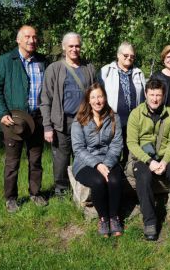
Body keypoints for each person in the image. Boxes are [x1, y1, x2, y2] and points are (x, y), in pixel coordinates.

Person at [0, 25, 48, 213]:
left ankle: (35, 193)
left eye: (34, 37)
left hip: (37, 119)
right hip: (14, 121)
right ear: (18, 40)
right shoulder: (7, 61)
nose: (32, 40)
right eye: (27, 37)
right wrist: (2, 113)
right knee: (12, 162)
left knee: (36, 160)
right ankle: (11, 198)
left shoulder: (43, 61)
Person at [126, 79, 170, 241]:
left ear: (163, 96)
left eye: (158, 95)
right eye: (152, 94)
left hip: (164, 156)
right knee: (144, 177)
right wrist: (149, 162)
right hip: (142, 158)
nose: (155, 99)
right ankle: (150, 221)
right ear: (145, 94)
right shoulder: (136, 114)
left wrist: (165, 161)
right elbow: (132, 143)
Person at [40, 32, 95, 196]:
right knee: (61, 158)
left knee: (83, 155)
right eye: (71, 46)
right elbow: (45, 98)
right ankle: (61, 190)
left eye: (77, 46)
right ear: (64, 47)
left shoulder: (89, 68)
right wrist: (47, 126)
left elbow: (96, 93)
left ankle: (82, 188)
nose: (74, 49)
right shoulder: (54, 69)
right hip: (62, 121)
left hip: (85, 120)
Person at [71, 83, 124, 237]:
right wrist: (97, 164)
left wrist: (106, 164)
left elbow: (116, 144)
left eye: (100, 96)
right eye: (93, 97)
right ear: (88, 100)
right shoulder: (79, 120)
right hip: (85, 163)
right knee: (98, 181)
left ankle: (114, 217)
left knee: (114, 180)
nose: (97, 100)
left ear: (105, 98)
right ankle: (103, 218)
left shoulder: (114, 118)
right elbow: (78, 148)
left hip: (109, 159)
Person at [97, 41, 146, 161]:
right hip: (112, 120)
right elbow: (97, 94)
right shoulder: (106, 71)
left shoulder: (138, 73)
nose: (129, 58)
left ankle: (128, 177)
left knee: (130, 152)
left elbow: (144, 97)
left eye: (132, 56)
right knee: (113, 151)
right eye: (126, 55)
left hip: (133, 121)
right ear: (118, 55)